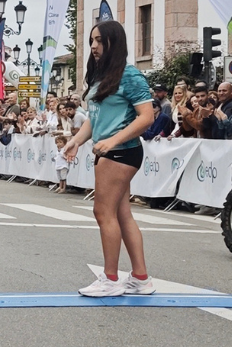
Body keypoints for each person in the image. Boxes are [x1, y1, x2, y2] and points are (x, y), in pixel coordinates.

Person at [62, 20, 155, 297]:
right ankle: (140, 277)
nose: (94, 46)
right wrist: (76, 141)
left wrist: (112, 141)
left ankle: (111, 279)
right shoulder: (102, 75)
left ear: (115, 42)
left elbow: (147, 117)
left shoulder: (130, 75)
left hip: (121, 152)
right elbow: (96, 118)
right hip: (111, 151)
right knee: (122, 214)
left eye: (100, 40)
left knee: (103, 212)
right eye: (92, 40)